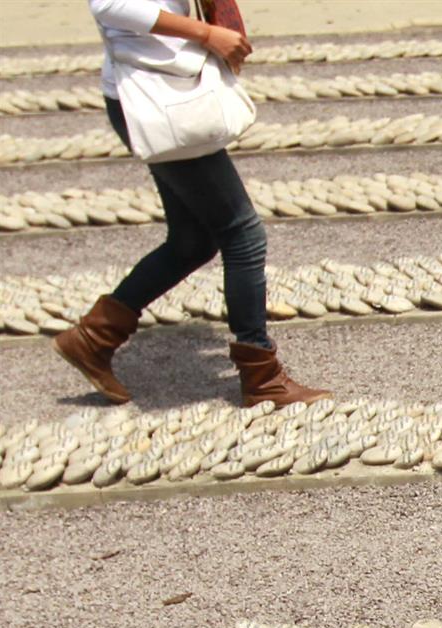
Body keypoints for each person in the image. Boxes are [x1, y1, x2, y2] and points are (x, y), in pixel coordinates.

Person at [56, 0, 327, 408]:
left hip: (163, 90)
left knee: (192, 241)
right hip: (156, 99)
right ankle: (261, 377)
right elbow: (109, 5)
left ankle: (94, 338)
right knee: (243, 234)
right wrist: (205, 33)